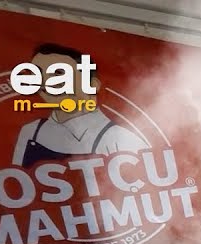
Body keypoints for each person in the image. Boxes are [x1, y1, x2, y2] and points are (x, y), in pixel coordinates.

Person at [11, 43, 149, 167]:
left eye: (59, 73)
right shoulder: (31, 131)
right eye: (38, 73)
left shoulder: (121, 140)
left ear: (92, 85)